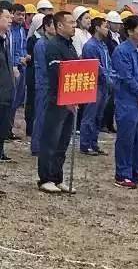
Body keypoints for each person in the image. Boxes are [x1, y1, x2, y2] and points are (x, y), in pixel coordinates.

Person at [37, 11, 79, 194]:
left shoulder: (70, 45)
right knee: (51, 140)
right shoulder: (53, 46)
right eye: (71, 22)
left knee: (63, 141)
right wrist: (65, 99)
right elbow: (57, 76)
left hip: (70, 100)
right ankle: (45, 178)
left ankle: (57, 177)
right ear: (60, 25)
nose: (74, 25)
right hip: (57, 100)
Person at [112, 15, 138, 189]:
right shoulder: (122, 51)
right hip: (128, 101)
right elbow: (126, 76)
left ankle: (137, 172)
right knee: (126, 138)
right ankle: (123, 174)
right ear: (130, 31)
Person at [80, 17, 112, 156]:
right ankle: (85, 145)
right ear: (97, 28)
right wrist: (109, 79)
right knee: (90, 115)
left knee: (98, 116)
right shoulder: (90, 46)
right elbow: (96, 67)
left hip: (104, 85)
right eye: (105, 26)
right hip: (95, 85)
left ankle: (94, 143)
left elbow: (108, 64)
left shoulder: (103, 45)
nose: (107, 29)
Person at [31, 14, 56, 156]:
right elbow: (44, 68)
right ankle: (36, 146)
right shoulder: (41, 44)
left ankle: (44, 144)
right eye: (53, 25)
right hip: (43, 84)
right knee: (41, 115)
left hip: (50, 84)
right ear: (46, 27)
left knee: (48, 117)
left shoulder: (52, 43)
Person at [9, 3, 28, 140]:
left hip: (22, 67)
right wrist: (17, 60)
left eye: (23, 15)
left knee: (17, 101)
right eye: (18, 14)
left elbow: (23, 47)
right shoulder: (9, 30)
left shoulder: (21, 30)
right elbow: (10, 50)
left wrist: (25, 56)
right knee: (10, 100)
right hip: (13, 68)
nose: (21, 17)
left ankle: (9, 129)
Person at [25, 13, 45, 138]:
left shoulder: (44, 40)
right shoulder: (32, 40)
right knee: (32, 101)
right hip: (32, 73)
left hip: (40, 75)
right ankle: (30, 127)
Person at [0, 6, 15, 164]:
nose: (10, 20)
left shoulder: (5, 39)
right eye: (6, 17)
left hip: (6, 92)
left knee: (3, 125)